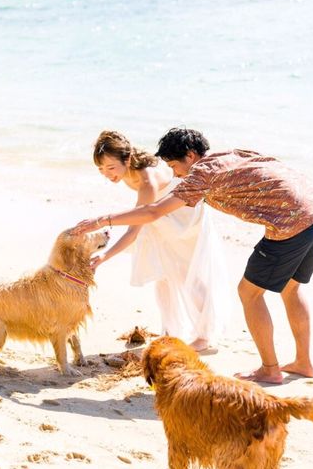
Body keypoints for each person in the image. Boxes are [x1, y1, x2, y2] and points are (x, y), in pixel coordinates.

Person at [73, 128, 313, 384]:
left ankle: (270, 369)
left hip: (290, 225)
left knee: (249, 293)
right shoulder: (229, 154)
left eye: (174, 166)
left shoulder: (200, 176)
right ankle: (303, 363)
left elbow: (153, 212)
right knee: (291, 289)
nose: (175, 175)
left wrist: (101, 220)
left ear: (191, 155)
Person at [90, 130, 231, 351]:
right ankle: (171, 331)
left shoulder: (146, 180)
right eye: (101, 169)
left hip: (182, 219)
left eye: (110, 167)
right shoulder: (127, 170)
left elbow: (133, 231)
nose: (106, 174)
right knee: (162, 275)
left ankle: (205, 335)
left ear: (127, 159)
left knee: (188, 275)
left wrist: (103, 257)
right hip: (159, 218)